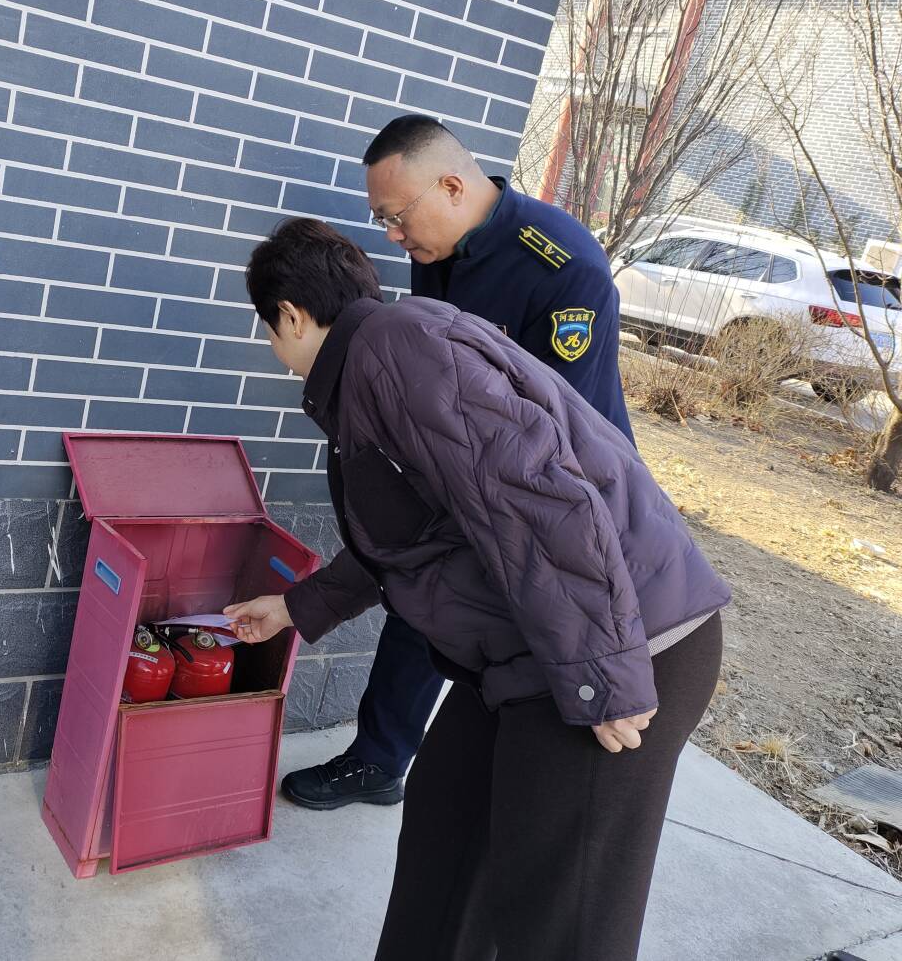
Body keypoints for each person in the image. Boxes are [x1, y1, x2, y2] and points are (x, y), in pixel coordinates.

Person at [225, 218, 729, 961]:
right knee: (447, 835)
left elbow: (541, 502)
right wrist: (296, 607)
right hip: (538, 648)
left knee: (560, 921)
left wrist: (602, 679)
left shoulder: (402, 351)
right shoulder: (378, 363)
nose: (275, 351)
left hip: (624, 643)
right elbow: (416, 534)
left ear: (292, 317)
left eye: (269, 331)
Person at [281, 114, 636, 811]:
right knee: (423, 595)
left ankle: (497, 776)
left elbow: (564, 438)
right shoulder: (435, 245)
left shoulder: (562, 268)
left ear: (450, 187)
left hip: (555, 491)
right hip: (466, 469)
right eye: (382, 219)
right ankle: (381, 759)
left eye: (396, 215)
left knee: (509, 626)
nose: (392, 235)